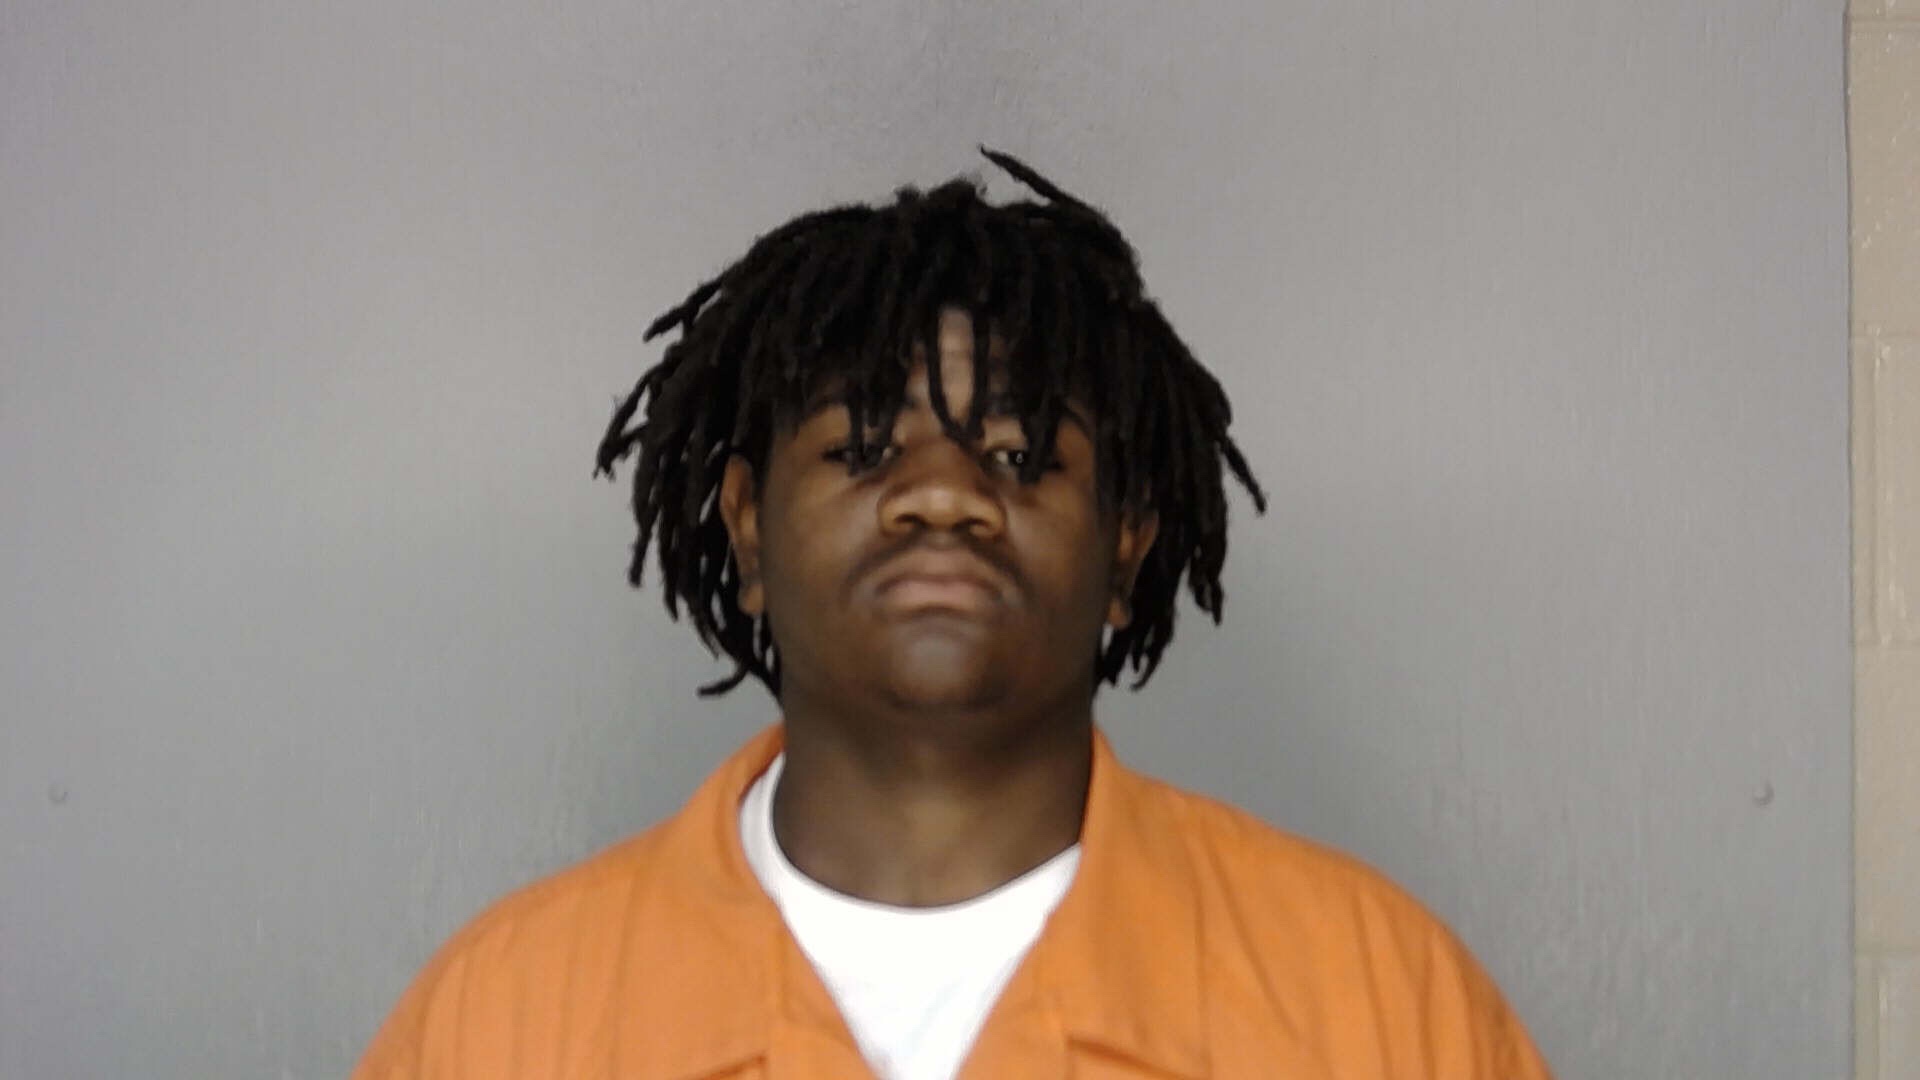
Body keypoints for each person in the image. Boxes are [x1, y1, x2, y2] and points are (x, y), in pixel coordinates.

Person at [353, 149, 1553, 1079]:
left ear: (1126, 543)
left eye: (1023, 457)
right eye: (864, 448)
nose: (944, 495)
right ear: (749, 529)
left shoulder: (1380, 999)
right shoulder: (500, 1018)